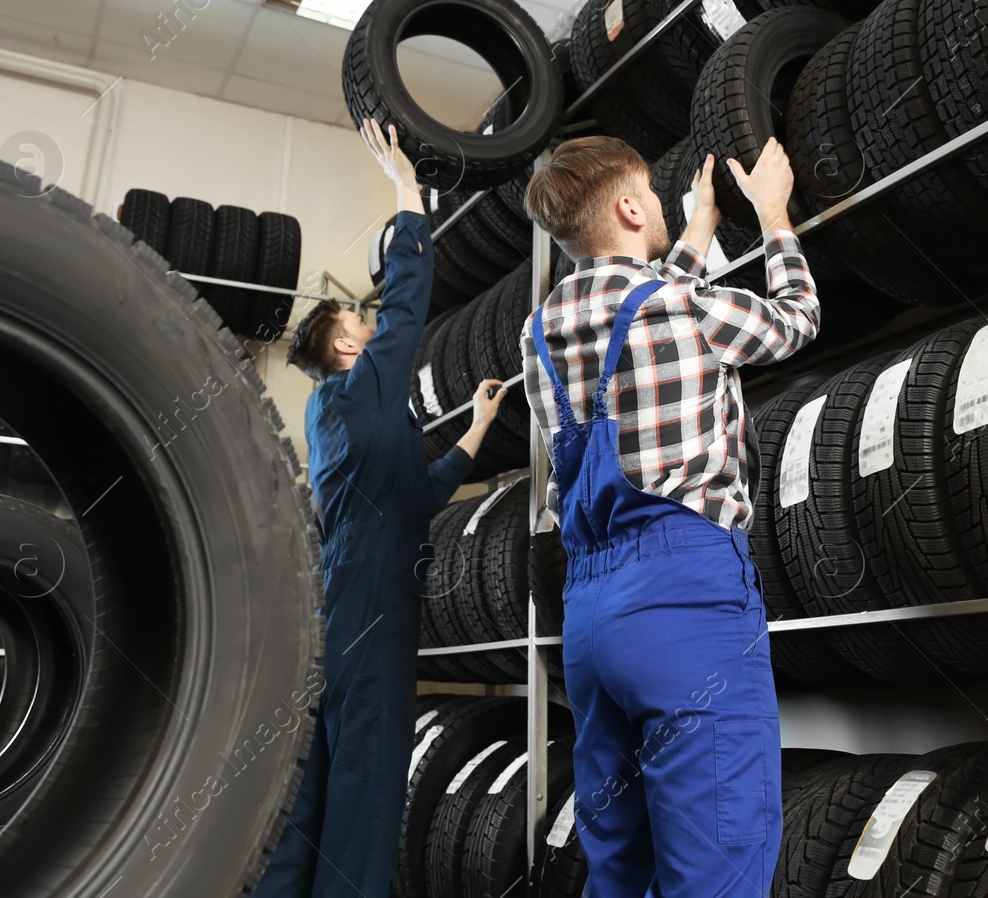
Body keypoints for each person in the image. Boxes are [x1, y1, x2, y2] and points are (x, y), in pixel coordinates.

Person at [520, 135, 819, 895]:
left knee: (619, 865)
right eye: (649, 194)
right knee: (717, 860)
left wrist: (695, 229)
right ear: (627, 206)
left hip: (588, 613)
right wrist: (774, 214)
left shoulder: (541, 333)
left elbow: (641, 316)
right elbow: (796, 317)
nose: (656, 203)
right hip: (685, 599)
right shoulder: (686, 308)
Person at [256, 119, 507, 898]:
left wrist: (475, 431)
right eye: (354, 323)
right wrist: (406, 192)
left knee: (318, 777)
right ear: (344, 348)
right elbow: (407, 305)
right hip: (371, 604)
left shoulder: (346, 419)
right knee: (368, 782)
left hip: (350, 593)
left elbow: (418, 497)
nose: (368, 323)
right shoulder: (358, 390)